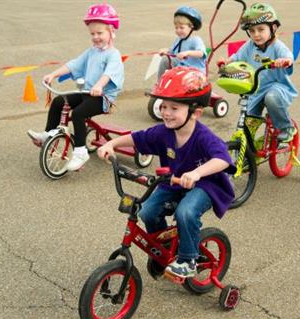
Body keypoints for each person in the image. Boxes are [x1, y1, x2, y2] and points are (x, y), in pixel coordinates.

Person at [98, 67, 235, 278]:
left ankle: (188, 259)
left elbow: (223, 159)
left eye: (174, 108)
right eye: (163, 106)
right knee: (146, 211)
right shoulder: (163, 132)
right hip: (172, 183)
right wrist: (112, 144)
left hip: (206, 186)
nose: (166, 113)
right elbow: (137, 138)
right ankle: (164, 249)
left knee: (186, 212)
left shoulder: (203, 137)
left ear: (195, 112)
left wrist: (197, 173)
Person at [27, 3, 124, 171]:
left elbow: (109, 74)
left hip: (104, 98)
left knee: (78, 114)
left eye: (100, 33)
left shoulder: (113, 55)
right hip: (87, 93)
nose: (95, 37)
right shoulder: (92, 51)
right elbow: (74, 65)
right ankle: (49, 133)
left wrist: (99, 85)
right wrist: (53, 74)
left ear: (111, 32)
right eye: (92, 34)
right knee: (59, 101)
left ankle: (81, 151)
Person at [218, 2, 297, 148]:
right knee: (245, 123)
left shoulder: (278, 47)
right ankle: (245, 155)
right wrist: (226, 61)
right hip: (255, 89)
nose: (256, 34)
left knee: (271, 98)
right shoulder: (250, 45)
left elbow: (289, 57)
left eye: (261, 29)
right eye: (252, 31)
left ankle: (286, 127)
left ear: (273, 28)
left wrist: (285, 61)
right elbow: (237, 57)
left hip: (276, 87)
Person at [158, 6, 207, 78]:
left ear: (191, 26)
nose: (178, 30)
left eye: (181, 28)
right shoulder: (178, 40)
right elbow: (172, 51)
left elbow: (201, 53)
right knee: (165, 60)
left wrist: (187, 53)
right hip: (181, 69)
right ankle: (160, 84)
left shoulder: (196, 40)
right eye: (176, 28)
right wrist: (165, 51)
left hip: (195, 72)